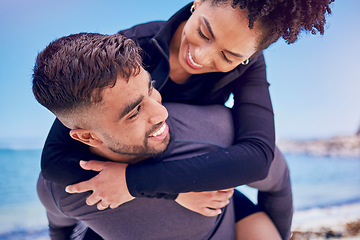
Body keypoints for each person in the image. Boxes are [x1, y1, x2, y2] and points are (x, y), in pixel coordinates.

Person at [40, 1, 334, 239]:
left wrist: (134, 183)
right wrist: (173, 193)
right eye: (205, 33)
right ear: (198, 3)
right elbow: (54, 161)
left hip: (195, 173)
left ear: (250, 55)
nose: (202, 58)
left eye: (229, 56)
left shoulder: (249, 66)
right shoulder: (128, 55)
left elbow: (258, 158)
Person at [33, 32, 282, 239]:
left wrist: (161, 185)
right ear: (88, 137)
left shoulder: (216, 135)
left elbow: (278, 182)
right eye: (134, 112)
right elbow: (60, 227)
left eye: (151, 87)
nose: (161, 113)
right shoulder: (64, 188)